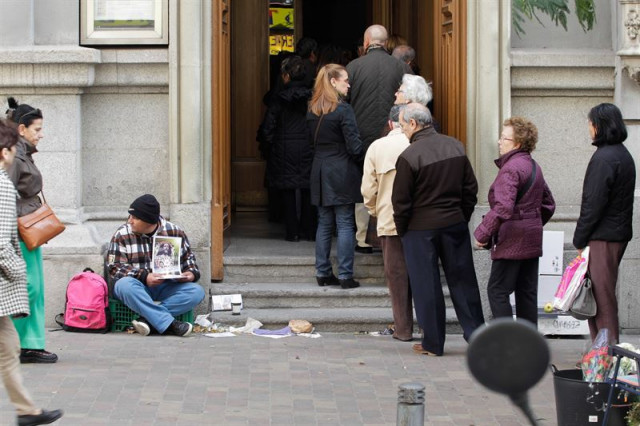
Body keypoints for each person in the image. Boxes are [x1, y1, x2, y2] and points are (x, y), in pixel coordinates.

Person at [392, 103, 484, 356]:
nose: (402, 130)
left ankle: (433, 343)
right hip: (454, 223)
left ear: (413, 124)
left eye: (401, 125)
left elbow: (400, 202)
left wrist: (403, 231)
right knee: (464, 282)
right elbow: (470, 190)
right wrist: (461, 216)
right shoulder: (455, 146)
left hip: (420, 230)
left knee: (426, 285)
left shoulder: (409, 156)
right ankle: (477, 336)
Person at [0, 119, 64, 426]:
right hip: (4, 280)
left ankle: (27, 411)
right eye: (12, 147)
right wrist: (18, 273)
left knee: (10, 349)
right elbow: (0, 244)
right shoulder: (1, 183)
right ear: (4, 151)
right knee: (9, 350)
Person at [473, 117, 556, 326]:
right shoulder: (533, 166)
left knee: (497, 290)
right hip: (531, 238)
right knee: (526, 293)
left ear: (517, 143)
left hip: (512, 239)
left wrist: (482, 234)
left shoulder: (510, 168)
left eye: (504, 138)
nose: (499, 142)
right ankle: (529, 348)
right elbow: (548, 205)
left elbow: (503, 207)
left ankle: (509, 344)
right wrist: (531, 223)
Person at [346, 24, 412, 254]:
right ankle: (395, 233)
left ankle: (363, 238)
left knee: (364, 184)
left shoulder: (352, 67)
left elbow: (344, 103)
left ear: (366, 43)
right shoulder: (401, 67)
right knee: (397, 183)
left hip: (361, 138)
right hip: (396, 135)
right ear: (386, 43)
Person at [573, 103, 635, 343]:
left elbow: (593, 204)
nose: (589, 128)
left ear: (599, 125)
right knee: (598, 297)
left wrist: (579, 238)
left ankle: (607, 357)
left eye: (590, 123)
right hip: (613, 234)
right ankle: (600, 354)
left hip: (603, 237)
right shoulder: (621, 154)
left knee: (602, 299)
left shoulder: (605, 158)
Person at [5, 97, 58, 364]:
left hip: (29, 232)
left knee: (35, 288)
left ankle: (30, 344)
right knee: (29, 287)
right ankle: (17, 343)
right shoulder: (13, 157)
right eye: (36, 129)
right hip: (17, 232)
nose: (41, 134)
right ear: (21, 128)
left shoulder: (23, 154)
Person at [107, 194, 205, 337]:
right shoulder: (122, 234)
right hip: (138, 288)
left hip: (166, 286)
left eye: (135, 218)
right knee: (123, 285)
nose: (130, 221)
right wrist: (144, 276)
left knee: (196, 292)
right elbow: (114, 268)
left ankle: (148, 320)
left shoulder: (174, 231)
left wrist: (190, 274)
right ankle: (170, 324)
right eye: (130, 216)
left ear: (148, 221)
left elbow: (189, 262)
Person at [307, 64, 364, 289]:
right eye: (345, 80)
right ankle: (345, 275)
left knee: (324, 223)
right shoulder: (343, 110)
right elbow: (355, 147)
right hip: (341, 170)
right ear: (333, 81)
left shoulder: (312, 109)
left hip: (319, 169)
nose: (348, 84)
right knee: (345, 222)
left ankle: (322, 273)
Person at [361, 105, 413, 341]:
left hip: (389, 221)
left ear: (391, 124)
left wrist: (376, 211)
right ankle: (430, 327)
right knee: (423, 274)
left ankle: (403, 329)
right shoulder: (418, 145)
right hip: (420, 222)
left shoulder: (377, 146)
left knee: (397, 276)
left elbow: (368, 189)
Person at [257, 55, 316, 242]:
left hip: (284, 149)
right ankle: (308, 231)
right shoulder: (312, 99)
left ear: (286, 76)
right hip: (308, 147)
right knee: (308, 190)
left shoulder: (278, 100)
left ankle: (292, 232)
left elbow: (268, 127)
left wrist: (268, 148)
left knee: (288, 191)